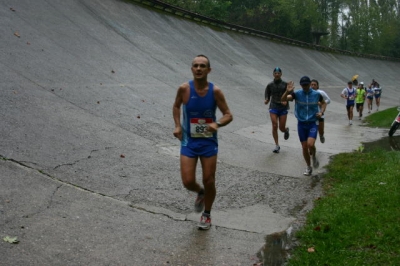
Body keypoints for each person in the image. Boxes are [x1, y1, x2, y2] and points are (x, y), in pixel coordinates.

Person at [173, 55, 233, 230]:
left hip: (208, 143)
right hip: (188, 142)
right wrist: (177, 125)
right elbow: (176, 106)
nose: (199, 68)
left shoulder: (215, 92)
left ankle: (206, 214)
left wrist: (217, 123)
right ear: (192, 69)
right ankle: (199, 192)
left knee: (209, 180)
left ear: (209, 70)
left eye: (202, 66)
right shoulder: (184, 89)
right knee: (188, 181)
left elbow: (228, 114)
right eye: (195, 66)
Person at [281, 76, 327, 176]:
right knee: (304, 147)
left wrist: (321, 112)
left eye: (307, 84)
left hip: (312, 123)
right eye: (303, 85)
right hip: (301, 124)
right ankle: (308, 166)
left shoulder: (316, 94)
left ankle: (314, 156)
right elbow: (283, 99)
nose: (305, 87)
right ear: (301, 85)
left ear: (310, 84)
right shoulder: (297, 94)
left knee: (310, 144)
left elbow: (324, 103)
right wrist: (287, 91)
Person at [264, 67, 290, 153]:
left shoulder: (285, 84)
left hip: (283, 108)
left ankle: (286, 130)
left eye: (279, 73)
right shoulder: (270, 85)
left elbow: (290, 94)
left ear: (281, 74)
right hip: (273, 106)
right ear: (273, 74)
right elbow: (267, 93)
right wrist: (267, 99)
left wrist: (286, 100)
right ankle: (277, 145)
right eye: (275, 73)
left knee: (281, 128)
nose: (277, 74)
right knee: (274, 125)